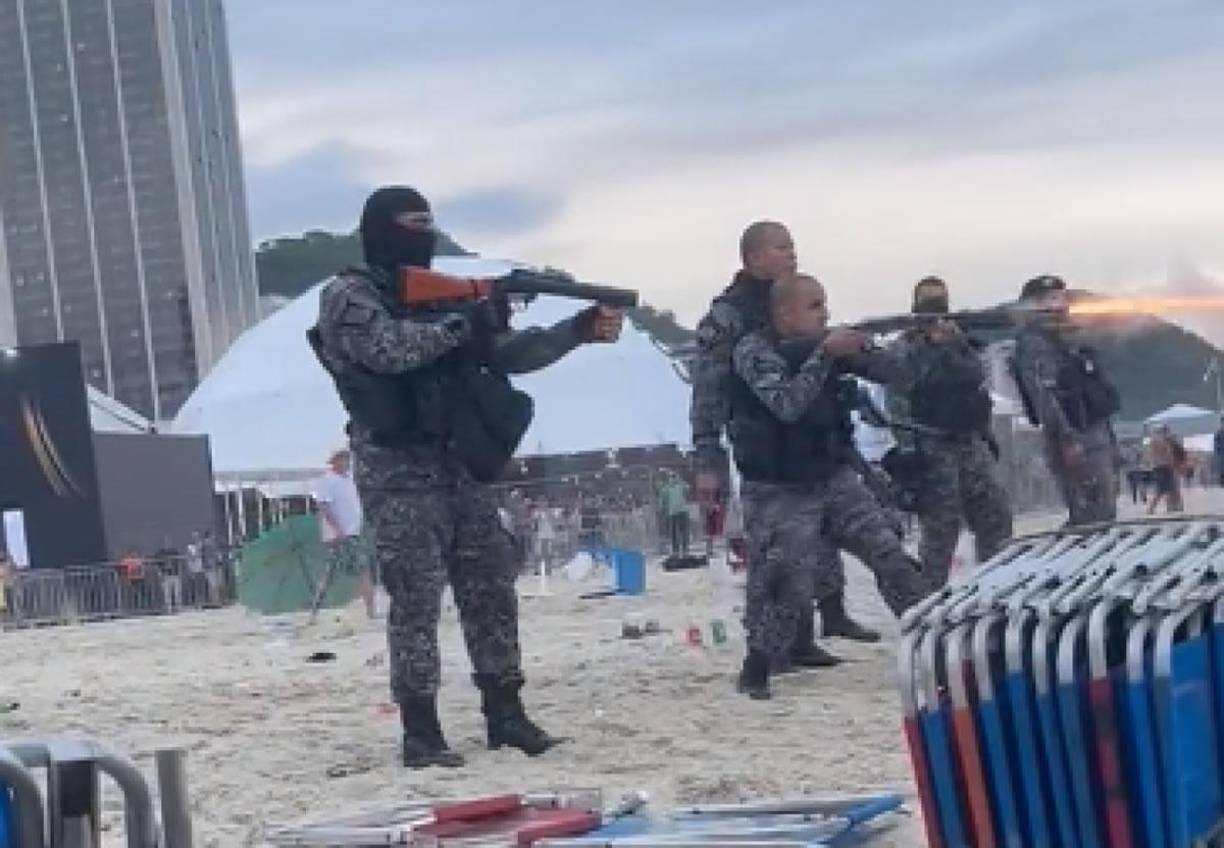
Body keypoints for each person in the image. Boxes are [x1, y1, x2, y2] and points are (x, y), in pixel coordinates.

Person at [310, 185, 624, 768]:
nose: (424, 235)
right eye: (412, 224)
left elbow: (508, 354)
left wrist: (576, 330)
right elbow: (387, 350)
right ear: (380, 229)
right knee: (416, 600)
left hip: (459, 463)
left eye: (430, 224)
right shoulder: (348, 295)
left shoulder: (445, 298)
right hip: (397, 469)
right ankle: (422, 732)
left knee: (491, 590)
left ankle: (506, 714)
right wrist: (464, 322)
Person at [729, 273, 927, 699]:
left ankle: (931, 641)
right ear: (784, 312)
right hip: (778, 489)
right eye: (814, 306)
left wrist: (914, 339)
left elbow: (897, 374)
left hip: (831, 476)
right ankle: (759, 665)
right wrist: (824, 354)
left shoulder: (824, 346)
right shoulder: (752, 351)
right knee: (784, 581)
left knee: (888, 553)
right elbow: (786, 404)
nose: (825, 314)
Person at [689, 222, 877, 642]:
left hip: (809, 432)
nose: (792, 254)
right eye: (781, 247)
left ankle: (831, 614)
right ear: (754, 258)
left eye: (793, 246)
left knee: (826, 525)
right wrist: (707, 457)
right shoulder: (728, 317)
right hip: (764, 442)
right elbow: (708, 390)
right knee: (779, 548)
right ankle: (786, 642)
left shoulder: (797, 297)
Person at [885, 276, 1013, 589]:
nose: (935, 310)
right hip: (930, 444)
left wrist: (954, 346)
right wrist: (908, 449)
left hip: (968, 441)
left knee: (995, 517)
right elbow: (899, 394)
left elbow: (975, 379)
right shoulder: (904, 347)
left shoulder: (961, 342)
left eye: (939, 302)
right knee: (941, 529)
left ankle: (995, 583)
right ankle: (930, 594)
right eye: (928, 303)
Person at [1011, 274, 1121, 526]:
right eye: (1052, 298)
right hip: (1074, 436)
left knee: (1103, 509)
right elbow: (1044, 394)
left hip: (1093, 430)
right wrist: (1066, 438)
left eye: (1062, 296)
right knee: (1089, 514)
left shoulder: (1067, 338)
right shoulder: (1034, 344)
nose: (1062, 303)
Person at [309, 448, 373, 620]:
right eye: (342, 459)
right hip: (337, 535)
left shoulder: (349, 480)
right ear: (334, 461)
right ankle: (315, 610)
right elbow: (324, 506)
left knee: (364, 568)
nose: (346, 462)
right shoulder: (326, 481)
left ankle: (370, 610)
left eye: (347, 459)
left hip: (353, 532)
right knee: (330, 575)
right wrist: (337, 529)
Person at [658, 471, 691, 557]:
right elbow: (662, 500)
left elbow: (688, 489)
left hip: (678, 512)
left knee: (681, 532)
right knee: (677, 533)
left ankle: (683, 549)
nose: (673, 478)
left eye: (674, 476)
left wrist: (662, 508)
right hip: (675, 512)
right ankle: (679, 550)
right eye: (672, 477)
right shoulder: (668, 488)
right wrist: (662, 509)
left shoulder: (677, 486)